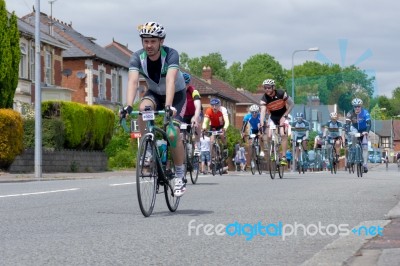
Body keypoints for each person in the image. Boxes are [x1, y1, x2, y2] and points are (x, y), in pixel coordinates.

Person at [120, 21, 187, 197]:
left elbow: (171, 80)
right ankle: (148, 148)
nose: (149, 45)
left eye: (153, 41)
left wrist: (169, 106)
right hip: (155, 93)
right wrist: (127, 106)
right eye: (145, 41)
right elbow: (133, 82)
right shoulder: (137, 57)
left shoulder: (171, 55)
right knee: (142, 108)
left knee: (172, 133)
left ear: (161, 41)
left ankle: (180, 175)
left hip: (176, 96)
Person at [259, 79, 294, 166]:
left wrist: (285, 116)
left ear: (273, 87)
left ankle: (284, 157)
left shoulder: (281, 93)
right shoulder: (264, 99)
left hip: (283, 115)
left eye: (269, 88)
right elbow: (263, 111)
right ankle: (273, 151)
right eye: (265, 88)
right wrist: (261, 122)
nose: (267, 89)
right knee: (269, 135)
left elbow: (292, 104)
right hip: (273, 117)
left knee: (282, 134)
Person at [346, 98, 371, 173]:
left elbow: (369, 123)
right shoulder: (350, 113)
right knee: (353, 141)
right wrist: (348, 131)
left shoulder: (365, 113)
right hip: (355, 129)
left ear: (361, 106)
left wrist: (366, 131)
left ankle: (365, 164)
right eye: (355, 106)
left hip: (364, 130)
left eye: (358, 106)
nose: (357, 108)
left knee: (365, 147)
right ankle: (351, 159)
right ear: (353, 107)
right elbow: (347, 124)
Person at [182, 72, 202, 152]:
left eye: (186, 84)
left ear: (189, 83)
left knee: (196, 122)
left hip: (195, 113)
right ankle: (185, 147)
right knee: (182, 133)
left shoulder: (194, 91)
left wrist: (195, 117)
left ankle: (197, 144)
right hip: (184, 115)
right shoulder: (177, 91)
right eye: (183, 84)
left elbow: (198, 106)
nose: (185, 86)